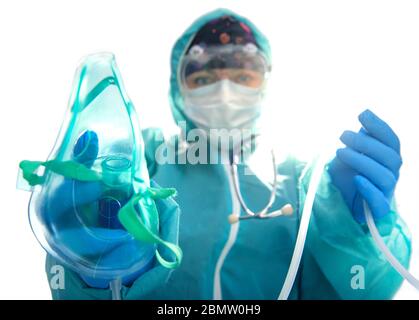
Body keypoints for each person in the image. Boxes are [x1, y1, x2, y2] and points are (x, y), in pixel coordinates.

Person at [46, 8, 411, 299]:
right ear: (178, 89)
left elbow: (368, 290)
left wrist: (355, 233)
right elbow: (73, 289)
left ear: (266, 82)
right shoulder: (146, 161)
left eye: (243, 75)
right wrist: (89, 271)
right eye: (203, 79)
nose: (224, 90)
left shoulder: (308, 182)